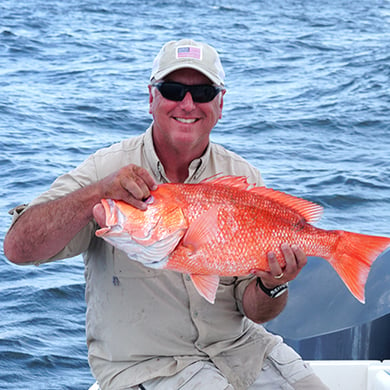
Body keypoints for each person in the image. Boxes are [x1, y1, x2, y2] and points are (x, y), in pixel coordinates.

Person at [4, 39, 328, 390]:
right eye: (172, 90)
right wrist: (96, 193)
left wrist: (273, 284)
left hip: (242, 351)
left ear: (220, 104)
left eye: (203, 92)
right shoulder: (106, 172)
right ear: (151, 98)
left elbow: (255, 309)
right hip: (150, 368)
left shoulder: (243, 179)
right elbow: (18, 249)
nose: (187, 104)